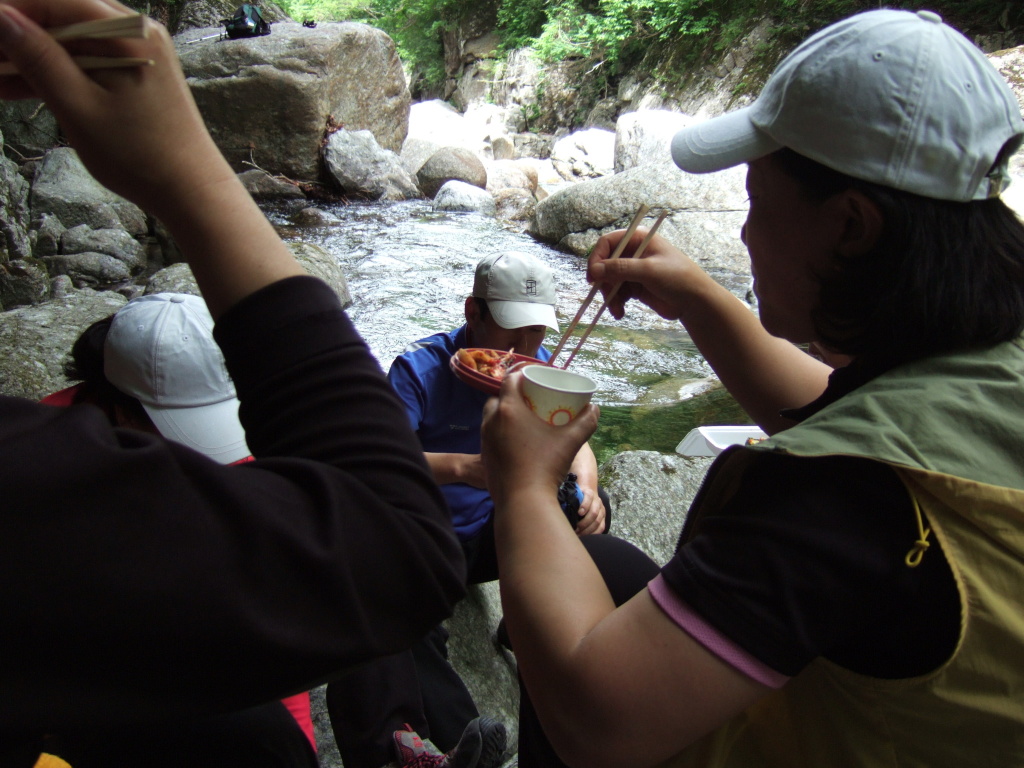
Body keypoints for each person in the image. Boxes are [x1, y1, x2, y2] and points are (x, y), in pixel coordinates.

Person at [480, 9, 1024, 768]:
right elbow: (863, 408)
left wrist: (525, 486)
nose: (744, 233)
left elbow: (595, 725)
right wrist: (703, 301)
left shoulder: (834, 497)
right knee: (602, 569)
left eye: (760, 200)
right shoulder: (993, 351)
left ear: (853, 226)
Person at [0, 3, 465, 767]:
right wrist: (190, 176)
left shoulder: (53, 459)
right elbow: (394, 545)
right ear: (108, 411)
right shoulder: (47, 494)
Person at [326, 252, 610, 768]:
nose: (521, 349)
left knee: (587, 508)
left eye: (533, 332)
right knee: (393, 608)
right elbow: (380, 460)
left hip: (499, 536)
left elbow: (575, 440)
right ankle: (465, 745)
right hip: (429, 540)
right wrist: (467, 468)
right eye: (508, 333)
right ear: (472, 312)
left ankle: (531, 625)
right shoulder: (420, 369)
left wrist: (587, 487)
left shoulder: (538, 371)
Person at [39, 293, 317, 768]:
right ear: (122, 409)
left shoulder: (244, 456)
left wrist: (295, 738)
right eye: (181, 426)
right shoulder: (46, 462)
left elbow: (270, 594)